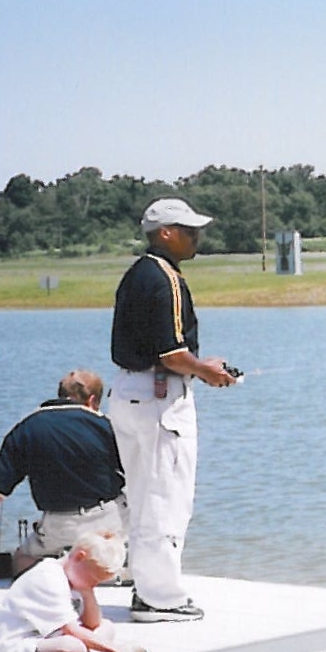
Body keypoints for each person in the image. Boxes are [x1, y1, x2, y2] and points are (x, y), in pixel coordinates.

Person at [107, 197, 238, 622]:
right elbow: (171, 352)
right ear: (165, 233)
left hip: (129, 391)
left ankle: (147, 586)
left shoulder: (138, 273)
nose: (196, 236)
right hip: (159, 397)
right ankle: (160, 597)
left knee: (144, 496)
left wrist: (197, 367)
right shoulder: (165, 279)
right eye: (188, 229)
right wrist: (207, 371)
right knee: (166, 496)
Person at [0, 370, 125, 583]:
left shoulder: (26, 428)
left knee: (22, 560)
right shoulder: (108, 426)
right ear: (92, 400)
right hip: (109, 521)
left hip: (58, 526)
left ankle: (59, 567)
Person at [0, 531, 145, 652]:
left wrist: (87, 591)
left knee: (107, 626)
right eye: (93, 579)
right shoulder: (48, 577)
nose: (93, 585)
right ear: (79, 557)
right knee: (72, 646)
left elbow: (93, 624)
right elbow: (70, 630)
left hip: (50, 641)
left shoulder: (76, 576)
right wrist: (115, 649)